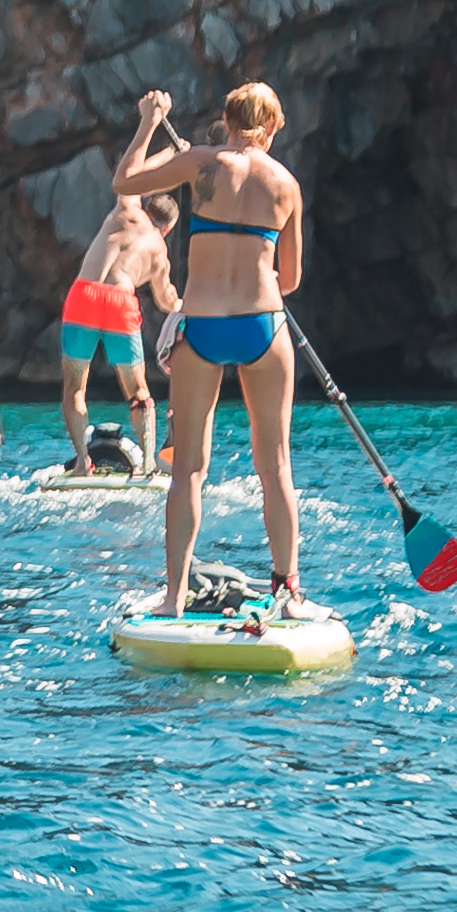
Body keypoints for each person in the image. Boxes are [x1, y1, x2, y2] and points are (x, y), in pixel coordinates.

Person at [111, 84, 306, 611]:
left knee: (188, 472)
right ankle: (288, 593)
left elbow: (124, 181)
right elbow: (290, 280)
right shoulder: (286, 185)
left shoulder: (199, 163)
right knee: (276, 469)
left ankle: (174, 597)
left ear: (227, 118)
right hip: (262, 326)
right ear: (271, 127)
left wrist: (150, 120)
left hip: (202, 327)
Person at [49, 189, 178, 473]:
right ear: (168, 228)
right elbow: (165, 299)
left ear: (147, 208)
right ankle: (148, 465)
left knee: (74, 388)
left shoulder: (127, 212)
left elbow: (127, 179)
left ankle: (83, 462)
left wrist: (153, 166)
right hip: (121, 300)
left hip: (84, 296)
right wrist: (184, 305)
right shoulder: (160, 251)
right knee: (138, 391)